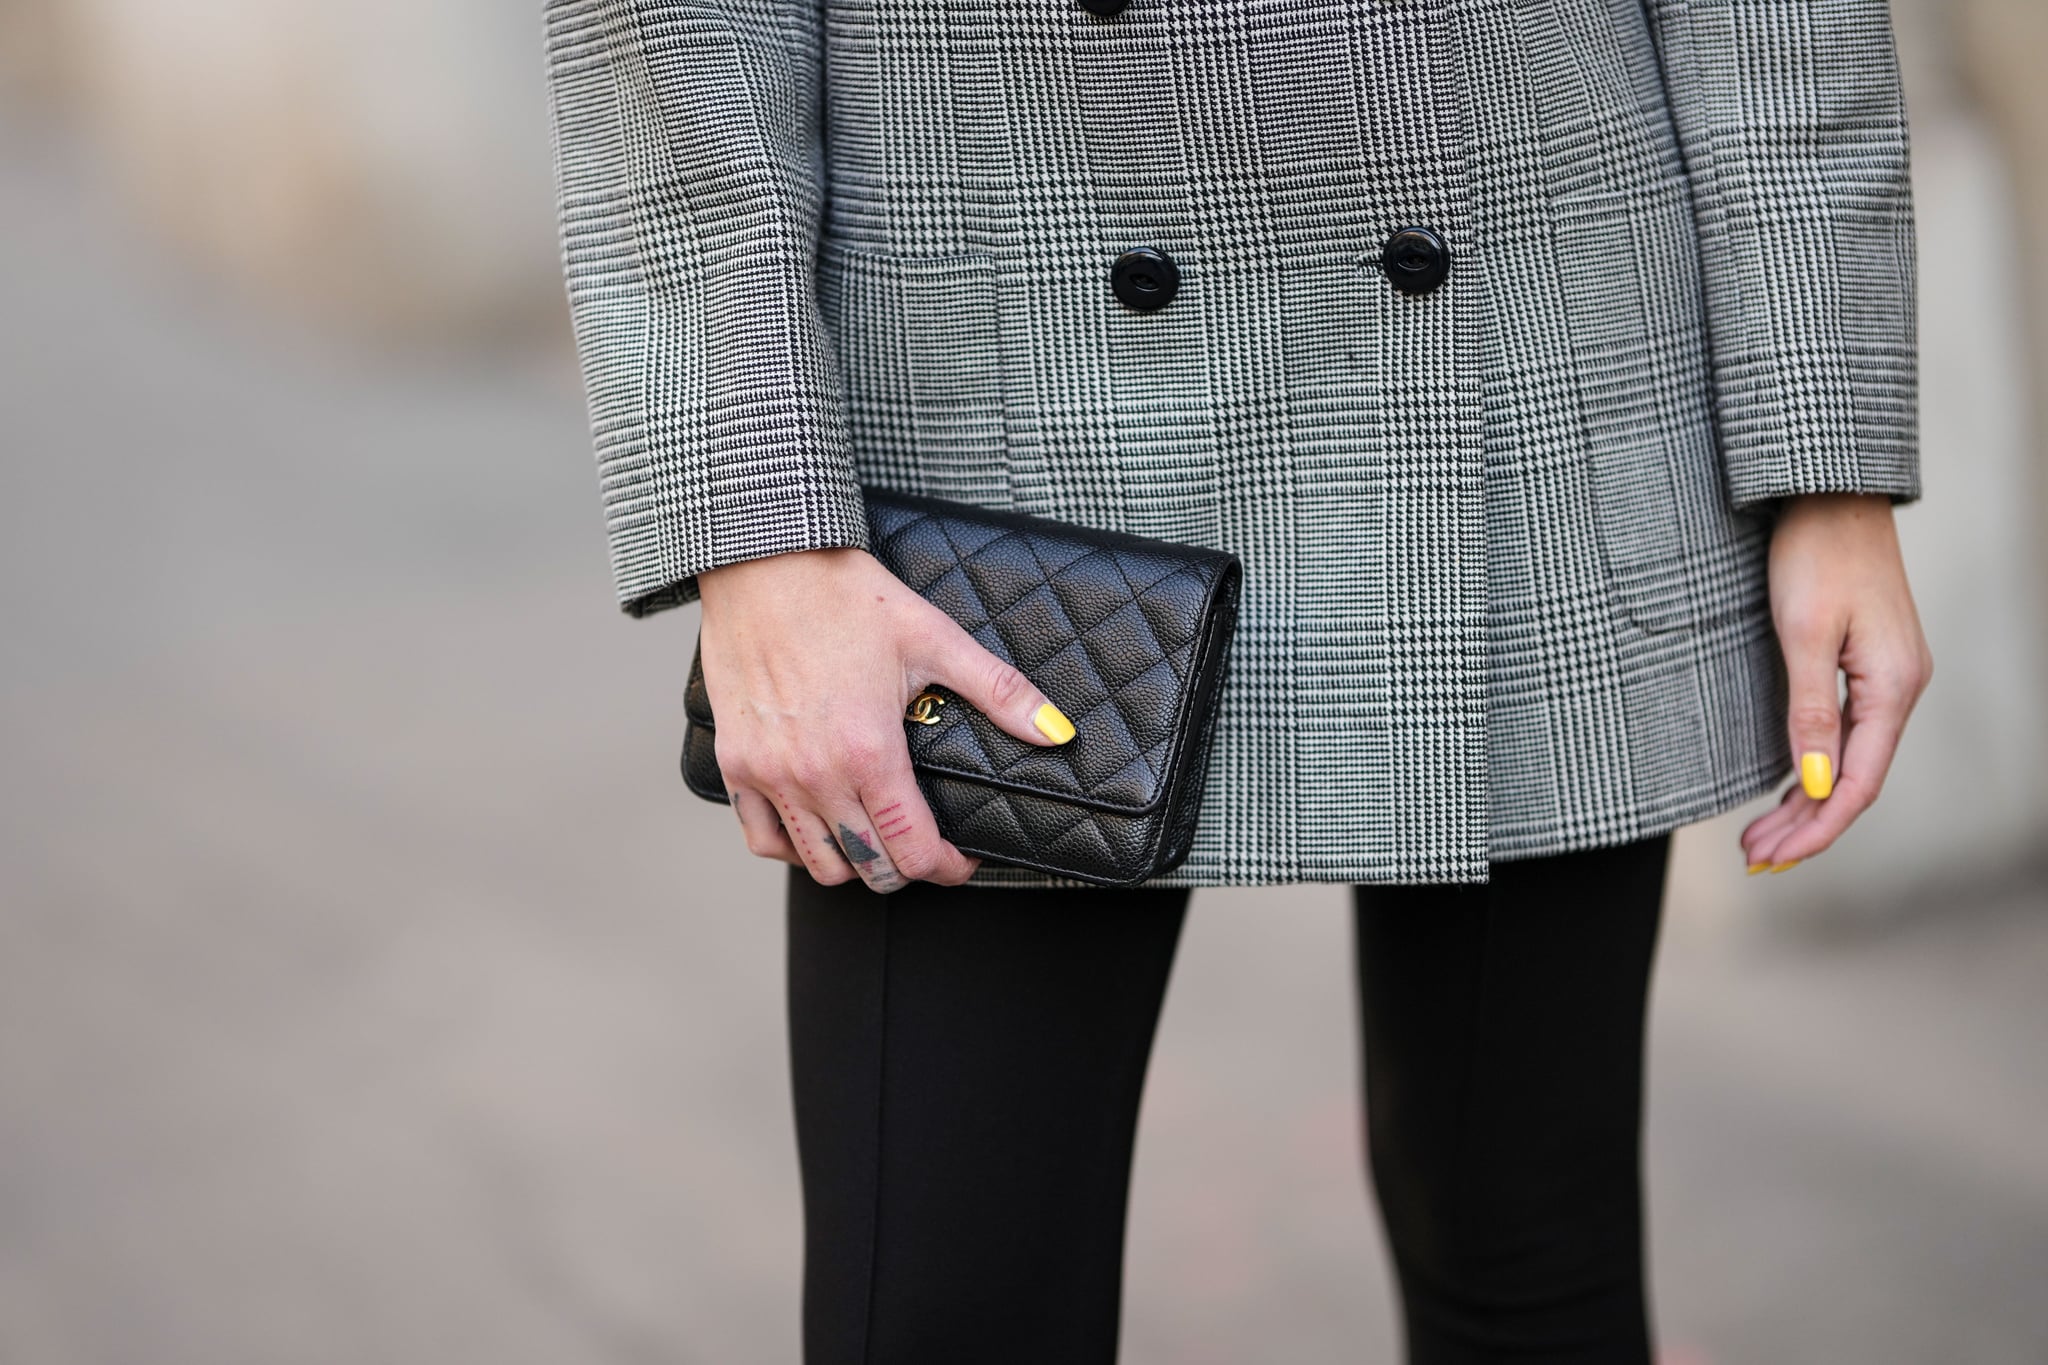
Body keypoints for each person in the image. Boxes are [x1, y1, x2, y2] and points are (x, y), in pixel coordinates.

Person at [542, 1, 1933, 1360]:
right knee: (943, 1306)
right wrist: (756, 526)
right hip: (990, 376)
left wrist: (1828, 459)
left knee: (1533, 1270)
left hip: (1534, 337)